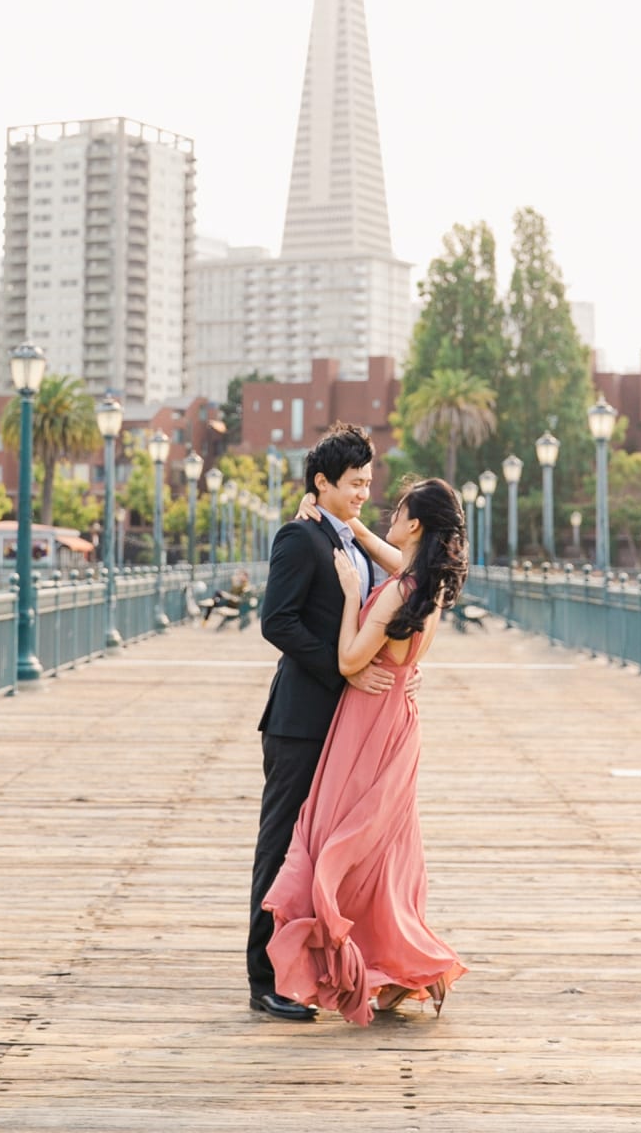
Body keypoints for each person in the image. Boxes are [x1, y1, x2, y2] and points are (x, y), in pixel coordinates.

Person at [262, 477, 469, 1026]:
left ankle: (338, 959)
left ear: (416, 523)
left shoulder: (400, 590)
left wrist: (353, 592)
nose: (385, 515)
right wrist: (335, 517)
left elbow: (353, 660)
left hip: (366, 725)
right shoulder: (428, 585)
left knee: (331, 835)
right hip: (400, 721)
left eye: (397, 509)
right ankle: (398, 967)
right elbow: (386, 554)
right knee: (383, 851)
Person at [248, 423, 416, 1021]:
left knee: (327, 851)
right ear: (321, 483)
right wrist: (341, 671)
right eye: (353, 484)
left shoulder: (347, 539)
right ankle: (263, 979)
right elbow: (278, 622)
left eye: (370, 482)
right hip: (300, 720)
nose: (364, 493)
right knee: (280, 846)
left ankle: (316, 970)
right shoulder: (299, 537)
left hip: (349, 727)